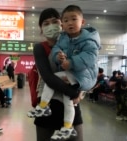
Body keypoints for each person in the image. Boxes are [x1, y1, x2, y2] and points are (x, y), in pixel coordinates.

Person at [28, 5, 100, 140]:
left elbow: (88, 70)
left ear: (61, 23)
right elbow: (48, 77)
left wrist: (82, 91)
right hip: (48, 105)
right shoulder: (40, 48)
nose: (51, 26)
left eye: (55, 21)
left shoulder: (79, 43)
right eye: (46, 23)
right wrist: (74, 92)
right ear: (41, 29)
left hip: (71, 104)